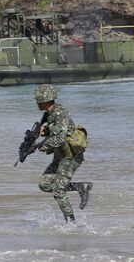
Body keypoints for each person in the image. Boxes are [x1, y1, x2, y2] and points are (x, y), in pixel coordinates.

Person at [33, 84, 93, 222]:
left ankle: (71, 224)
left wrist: (39, 146)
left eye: (39, 100)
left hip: (70, 157)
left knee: (59, 191)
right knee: (44, 184)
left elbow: (60, 139)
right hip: (60, 157)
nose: (37, 103)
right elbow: (57, 131)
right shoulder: (50, 114)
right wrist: (45, 131)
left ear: (45, 100)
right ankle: (80, 186)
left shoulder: (60, 113)